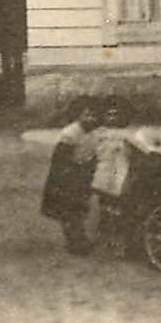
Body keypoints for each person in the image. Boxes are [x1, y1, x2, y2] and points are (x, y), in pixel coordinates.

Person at [39, 98, 101, 255]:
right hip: (68, 175)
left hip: (83, 173)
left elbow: (93, 154)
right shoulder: (70, 133)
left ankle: (79, 239)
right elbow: (60, 159)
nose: (90, 118)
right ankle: (75, 242)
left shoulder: (93, 133)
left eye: (93, 115)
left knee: (80, 208)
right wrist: (64, 179)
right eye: (86, 115)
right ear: (78, 115)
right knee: (69, 210)